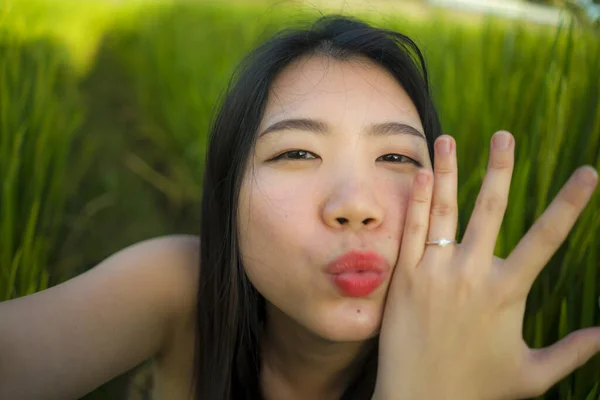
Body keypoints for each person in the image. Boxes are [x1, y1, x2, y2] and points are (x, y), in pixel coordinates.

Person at [0, 14, 598, 400]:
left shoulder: (477, 354)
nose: (355, 205)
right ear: (226, 195)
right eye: (296, 153)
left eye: (395, 158)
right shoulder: (178, 285)